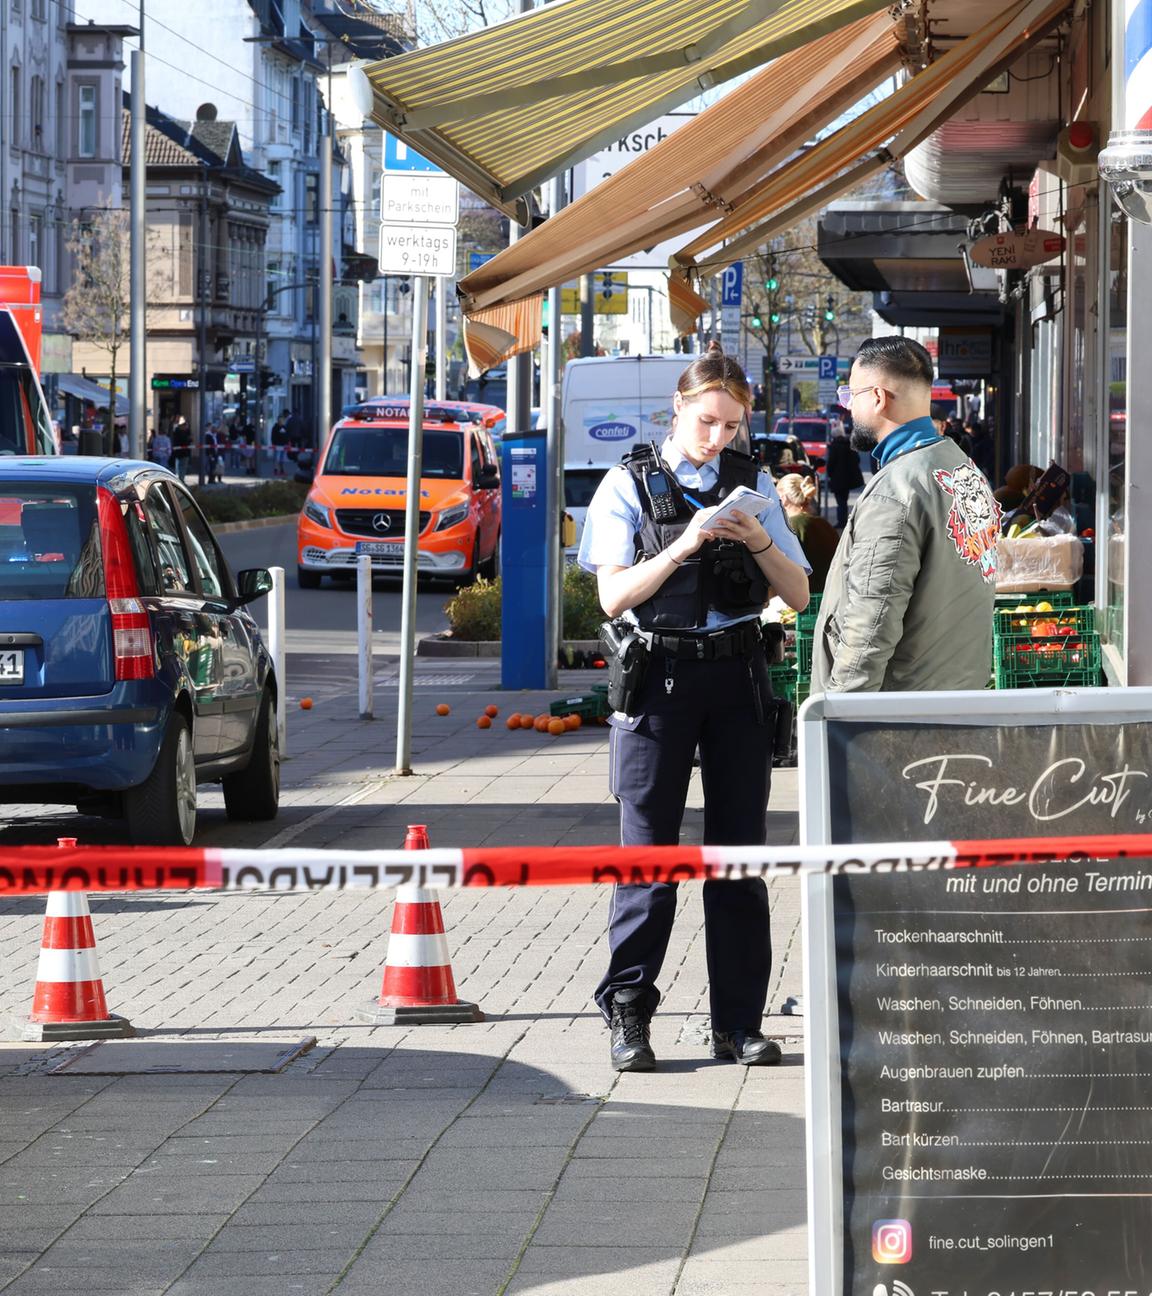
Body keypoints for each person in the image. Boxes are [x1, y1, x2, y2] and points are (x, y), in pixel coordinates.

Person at [577, 342, 810, 1074]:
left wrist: (760, 537)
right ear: (678, 408)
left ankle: (738, 1024)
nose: (718, 438)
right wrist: (683, 546)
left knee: (738, 858)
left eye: (732, 426)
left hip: (739, 678)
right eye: (708, 421)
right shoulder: (629, 484)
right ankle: (629, 1016)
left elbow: (799, 593)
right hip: (661, 680)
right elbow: (612, 597)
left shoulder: (754, 483)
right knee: (649, 856)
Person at [812, 336, 1000, 694]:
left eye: (851, 396)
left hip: (898, 717)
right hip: (955, 696)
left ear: (878, 398)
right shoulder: (963, 469)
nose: (847, 408)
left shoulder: (895, 492)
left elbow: (871, 622)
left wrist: (838, 715)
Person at [776, 472, 839, 593]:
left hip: (802, 599)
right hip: (830, 596)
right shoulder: (824, 524)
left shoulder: (788, 527)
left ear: (783, 499)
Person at [825, 426, 864, 529]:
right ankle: (845, 520)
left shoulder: (834, 446)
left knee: (840, 502)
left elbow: (831, 463)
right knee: (844, 501)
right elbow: (857, 460)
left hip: (838, 479)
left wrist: (829, 474)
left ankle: (842, 522)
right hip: (848, 478)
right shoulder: (850, 444)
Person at [171, 415, 192, 481]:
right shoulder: (180, 432)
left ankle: (180, 479)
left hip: (180, 453)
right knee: (181, 467)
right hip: (182, 453)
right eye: (185, 426)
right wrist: (189, 439)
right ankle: (181, 480)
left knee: (179, 467)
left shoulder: (177, 431)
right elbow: (184, 441)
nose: (186, 427)